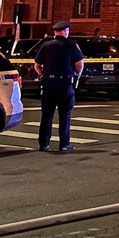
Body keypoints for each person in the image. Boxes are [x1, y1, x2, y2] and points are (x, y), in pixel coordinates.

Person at [34, 20, 84, 152]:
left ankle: (44, 144)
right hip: (65, 84)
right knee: (65, 115)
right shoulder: (71, 45)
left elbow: (37, 65)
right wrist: (77, 77)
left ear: (55, 32)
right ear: (66, 31)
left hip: (48, 84)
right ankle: (64, 144)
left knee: (46, 115)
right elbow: (79, 64)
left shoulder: (46, 45)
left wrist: (43, 73)